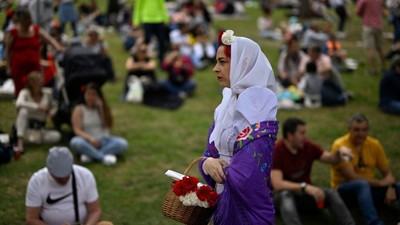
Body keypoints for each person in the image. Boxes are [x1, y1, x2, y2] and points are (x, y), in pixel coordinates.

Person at [198, 30, 279, 224]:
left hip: (246, 210)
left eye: (222, 62)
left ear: (243, 64)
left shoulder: (258, 105)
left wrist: (216, 168)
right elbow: (211, 152)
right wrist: (207, 163)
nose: (215, 68)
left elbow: (249, 172)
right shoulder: (228, 102)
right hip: (222, 197)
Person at [271, 118, 355, 225]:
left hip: (303, 195)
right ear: (290, 136)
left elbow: (330, 159)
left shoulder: (307, 146)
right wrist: (304, 187)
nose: (305, 137)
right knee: (285, 195)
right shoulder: (277, 151)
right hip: (281, 197)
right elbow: (278, 185)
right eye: (302, 133)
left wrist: (339, 152)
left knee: (331, 193)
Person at [330, 114, 400, 225]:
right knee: (362, 185)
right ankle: (374, 222)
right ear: (349, 130)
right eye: (356, 130)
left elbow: (388, 173)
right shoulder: (341, 146)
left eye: (364, 130)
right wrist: (381, 183)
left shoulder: (374, 144)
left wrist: (391, 187)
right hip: (345, 192)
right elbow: (352, 178)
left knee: (399, 186)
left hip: (369, 191)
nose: (361, 134)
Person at [25, 146, 104, 225]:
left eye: (66, 176)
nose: (63, 180)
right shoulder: (37, 181)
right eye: (58, 178)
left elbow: (95, 210)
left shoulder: (85, 175)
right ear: (49, 171)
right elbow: (31, 219)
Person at [5, 7, 63, 98]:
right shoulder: (13, 33)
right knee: (21, 91)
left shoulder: (36, 30)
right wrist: (8, 67)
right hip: (19, 68)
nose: (29, 20)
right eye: (26, 18)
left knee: (37, 89)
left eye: (30, 18)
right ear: (21, 20)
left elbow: (48, 39)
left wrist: (58, 46)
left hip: (35, 67)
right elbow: (8, 51)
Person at [70, 82, 128, 166]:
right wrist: (90, 139)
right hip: (87, 141)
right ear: (84, 95)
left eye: (94, 95)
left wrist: (101, 109)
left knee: (123, 144)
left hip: (104, 141)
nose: (91, 97)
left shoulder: (103, 108)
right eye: (89, 94)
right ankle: (103, 158)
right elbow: (77, 129)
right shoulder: (79, 109)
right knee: (75, 142)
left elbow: (107, 125)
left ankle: (90, 155)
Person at [15, 71, 61, 154]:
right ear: (32, 82)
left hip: (39, 127)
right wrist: (38, 107)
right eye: (39, 79)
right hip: (26, 125)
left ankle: (32, 139)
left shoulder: (47, 93)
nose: (42, 81)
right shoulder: (25, 92)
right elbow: (19, 103)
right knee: (23, 111)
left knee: (57, 136)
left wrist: (51, 113)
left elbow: (55, 105)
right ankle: (20, 142)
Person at [356, 0, 385, 75]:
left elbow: (358, 12)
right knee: (380, 48)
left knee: (370, 48)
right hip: (379, 26)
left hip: (368, 25)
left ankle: (373, 70)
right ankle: (383, 67)